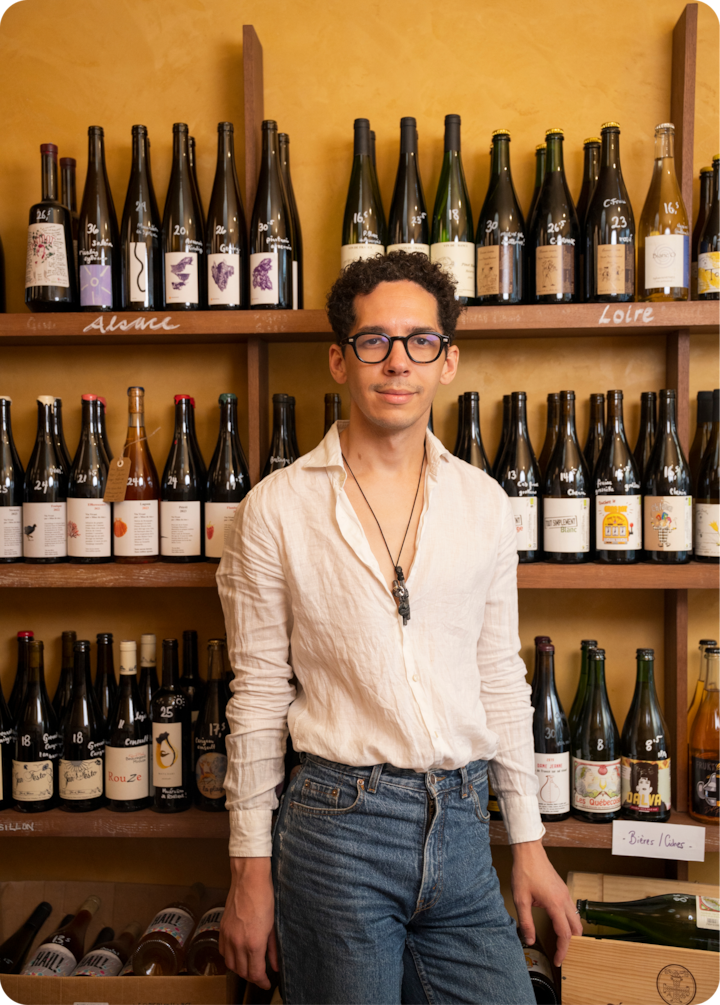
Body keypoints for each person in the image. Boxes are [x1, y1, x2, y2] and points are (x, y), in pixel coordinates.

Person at [217, 251, 581, 1004]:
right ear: (338, 360)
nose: (396, 362)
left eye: (420, 341)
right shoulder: (274, 510)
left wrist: (529, 841)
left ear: (448, 360)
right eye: (374, 340)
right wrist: (249, 874)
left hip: (462, 826)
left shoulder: (483, 505)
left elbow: (500, 680)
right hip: (335, 830)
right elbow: (255, 697)